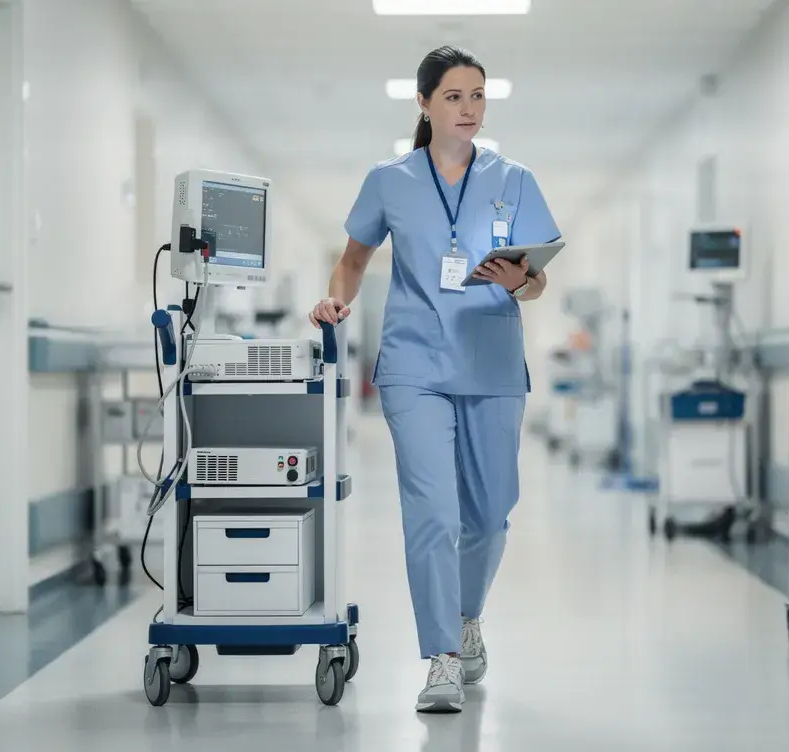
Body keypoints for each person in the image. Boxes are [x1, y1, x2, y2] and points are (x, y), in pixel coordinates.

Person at [308, 45, 560, 713]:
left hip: (494, 365)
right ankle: (442, 657)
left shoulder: (516, 179)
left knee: (490, 517)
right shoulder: (391, 180)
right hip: (414, 366)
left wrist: (523, 281)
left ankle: (467, 619)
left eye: (478, 95)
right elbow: (354, 258)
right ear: (424, 104)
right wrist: (338, 300)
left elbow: (537, 284)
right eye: (454, 96)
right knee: (433, 514)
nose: (469, 108)